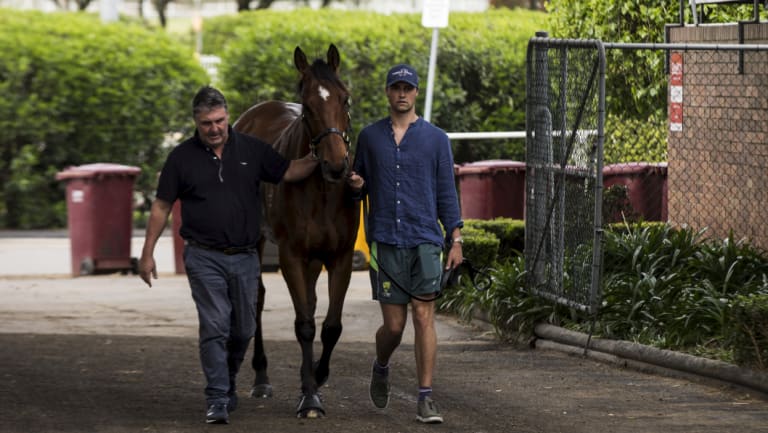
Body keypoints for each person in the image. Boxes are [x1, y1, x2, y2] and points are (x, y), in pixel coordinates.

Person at [138, 85, 318, 424]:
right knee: (215, 325)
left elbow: (290, 170)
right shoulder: (181, 157)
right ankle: (218, 398)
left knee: (245, 328)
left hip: (245, 257)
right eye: (206, 123)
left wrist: (324, 155)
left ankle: (230, 378)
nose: (214, 128)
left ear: (227, 116)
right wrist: (147, 253)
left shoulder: (252, 149)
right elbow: (162, 206)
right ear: (196, 121)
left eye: (219, 121)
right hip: (204, 257)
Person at [346, 64, 463, 424]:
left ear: (415, 93)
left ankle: (425, 397)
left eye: (408, 88)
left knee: (423, 316)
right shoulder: (369, 137)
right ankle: (381, 364)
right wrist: (356, 185)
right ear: (387, 92)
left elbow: (447, 192)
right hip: (386, 240)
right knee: (394, 327)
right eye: (396, 87)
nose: (402, 93)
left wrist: (455, 238)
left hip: (426, 239)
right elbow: (361, 184)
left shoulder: (436, 139)